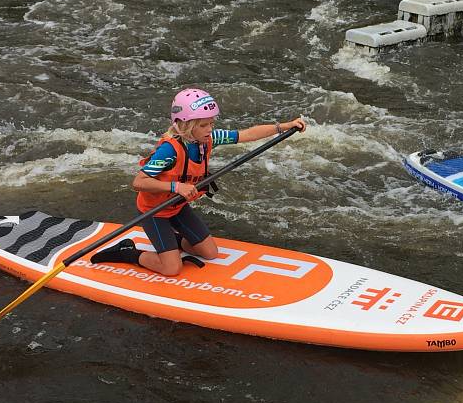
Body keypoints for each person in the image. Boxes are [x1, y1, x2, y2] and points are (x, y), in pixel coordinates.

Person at [91, 88, 306, 276]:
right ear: (186, 126)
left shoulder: (207, 139)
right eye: (204, 125)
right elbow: (138, 182)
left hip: (177, 208)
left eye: (211, 123)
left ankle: (171, 243)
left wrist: (285, 126)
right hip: (154, 211)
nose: (210, 129)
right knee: (171, 269)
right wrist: (175, 187)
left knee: (210, 253)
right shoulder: (169, 151)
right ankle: (128, 252)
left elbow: (246, 134)